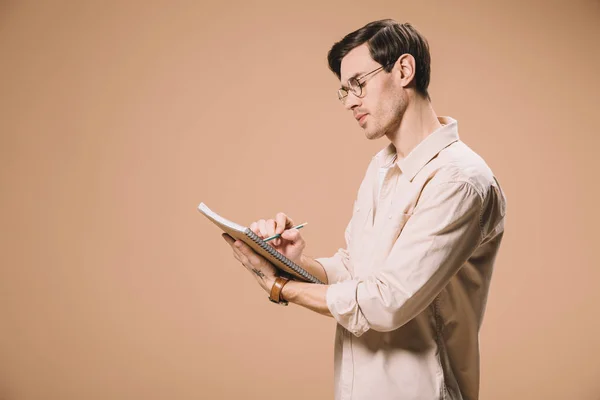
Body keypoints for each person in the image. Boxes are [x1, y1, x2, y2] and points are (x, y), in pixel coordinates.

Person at [222, 19, 506, 400]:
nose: (351, 101)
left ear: (404, 70)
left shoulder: (460, 180)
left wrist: (281, 287)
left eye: (359, 83)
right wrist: (290, 262)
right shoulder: (382, 167)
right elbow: (355, 271)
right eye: (344, 91)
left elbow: (386, 302)